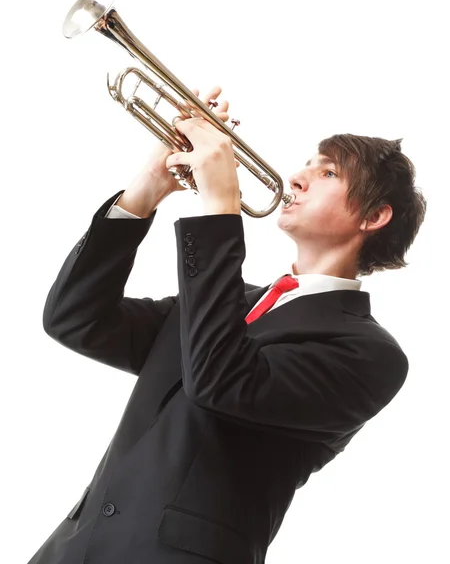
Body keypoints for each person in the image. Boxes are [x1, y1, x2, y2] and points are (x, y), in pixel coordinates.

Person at [28, 86, 427, 564]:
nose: (297, 178)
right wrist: (146, 189)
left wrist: (220, 205)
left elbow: (221, 381)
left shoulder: (369, 354)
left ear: (375, 216)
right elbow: (75, 319)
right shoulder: (225, 301)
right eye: (307, 164)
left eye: (328, 172)